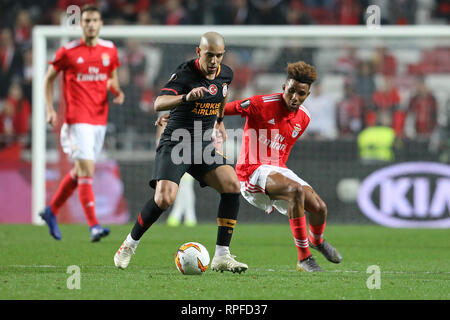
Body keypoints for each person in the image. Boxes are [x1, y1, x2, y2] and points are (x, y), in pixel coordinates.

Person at [157, 61, 342, 272]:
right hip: (250, 172)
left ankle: (316, 241)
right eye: (291, 91)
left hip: (278, 170)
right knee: (295, 191)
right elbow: (220, 107)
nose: (294, 97)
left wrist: (275, 189)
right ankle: (304, 257)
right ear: (284, 88)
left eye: (301, 93)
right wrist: (176, 117)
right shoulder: (260, 103)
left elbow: (282, 151)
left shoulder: (304, 119)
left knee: (320, 208)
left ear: (307, 95)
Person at [114, 32, 248, 274]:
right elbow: (158, 103)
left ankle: (222, 255)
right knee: (164, 199)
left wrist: (219, 121)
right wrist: (185, 97)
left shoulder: (226, 73)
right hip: (177, 143)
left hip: (203, 145)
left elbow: (222, 93)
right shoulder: (185, 73)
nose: (214, 61)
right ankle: (129, 244)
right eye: (209, 55)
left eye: (219, 56)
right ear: (199, 52)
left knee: (232, 185)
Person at [39, 5, 125, 242]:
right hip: (77, 120)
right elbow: (48, 80)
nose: (90, 24)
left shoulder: (109, 49)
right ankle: (94, 225)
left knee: (80, 172)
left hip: (99, 119)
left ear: (100, 23)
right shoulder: (68, 52)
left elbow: (111, 80)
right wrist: (49, 108)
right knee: (87, 169)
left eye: (94, 20)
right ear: (81, 24)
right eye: (86, 20)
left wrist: (117, 92)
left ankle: (51, 211)